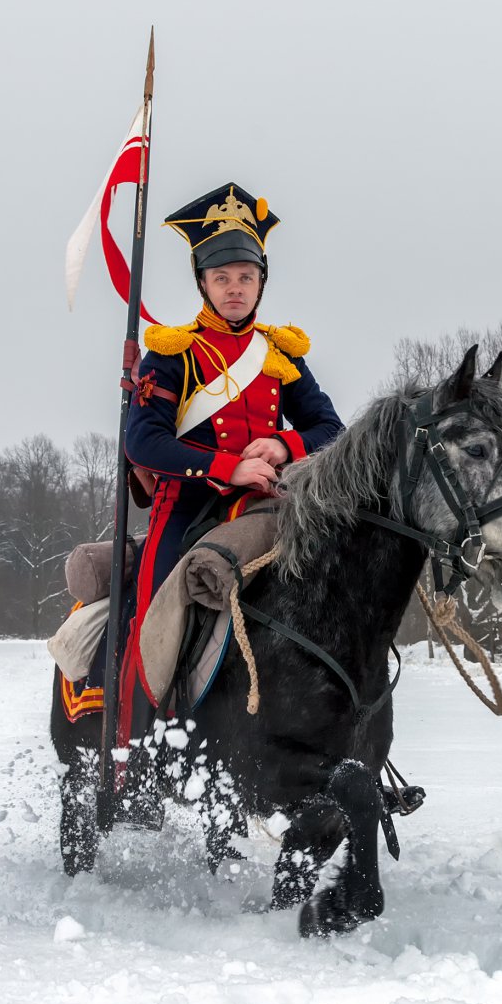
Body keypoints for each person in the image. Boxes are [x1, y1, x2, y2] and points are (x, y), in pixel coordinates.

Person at [117, 182, 344, 731]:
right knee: (153, 619)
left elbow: (329, 428)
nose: (234, 288)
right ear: (202, 283)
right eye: (222, 278)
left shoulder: (278, 352)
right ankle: (137, 742)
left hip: (270, 502)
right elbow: (141, 441)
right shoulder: (173, 351)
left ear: (261, 282)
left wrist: (285, 444)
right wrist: (227, 467)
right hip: (188, 506)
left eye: (245, 277)